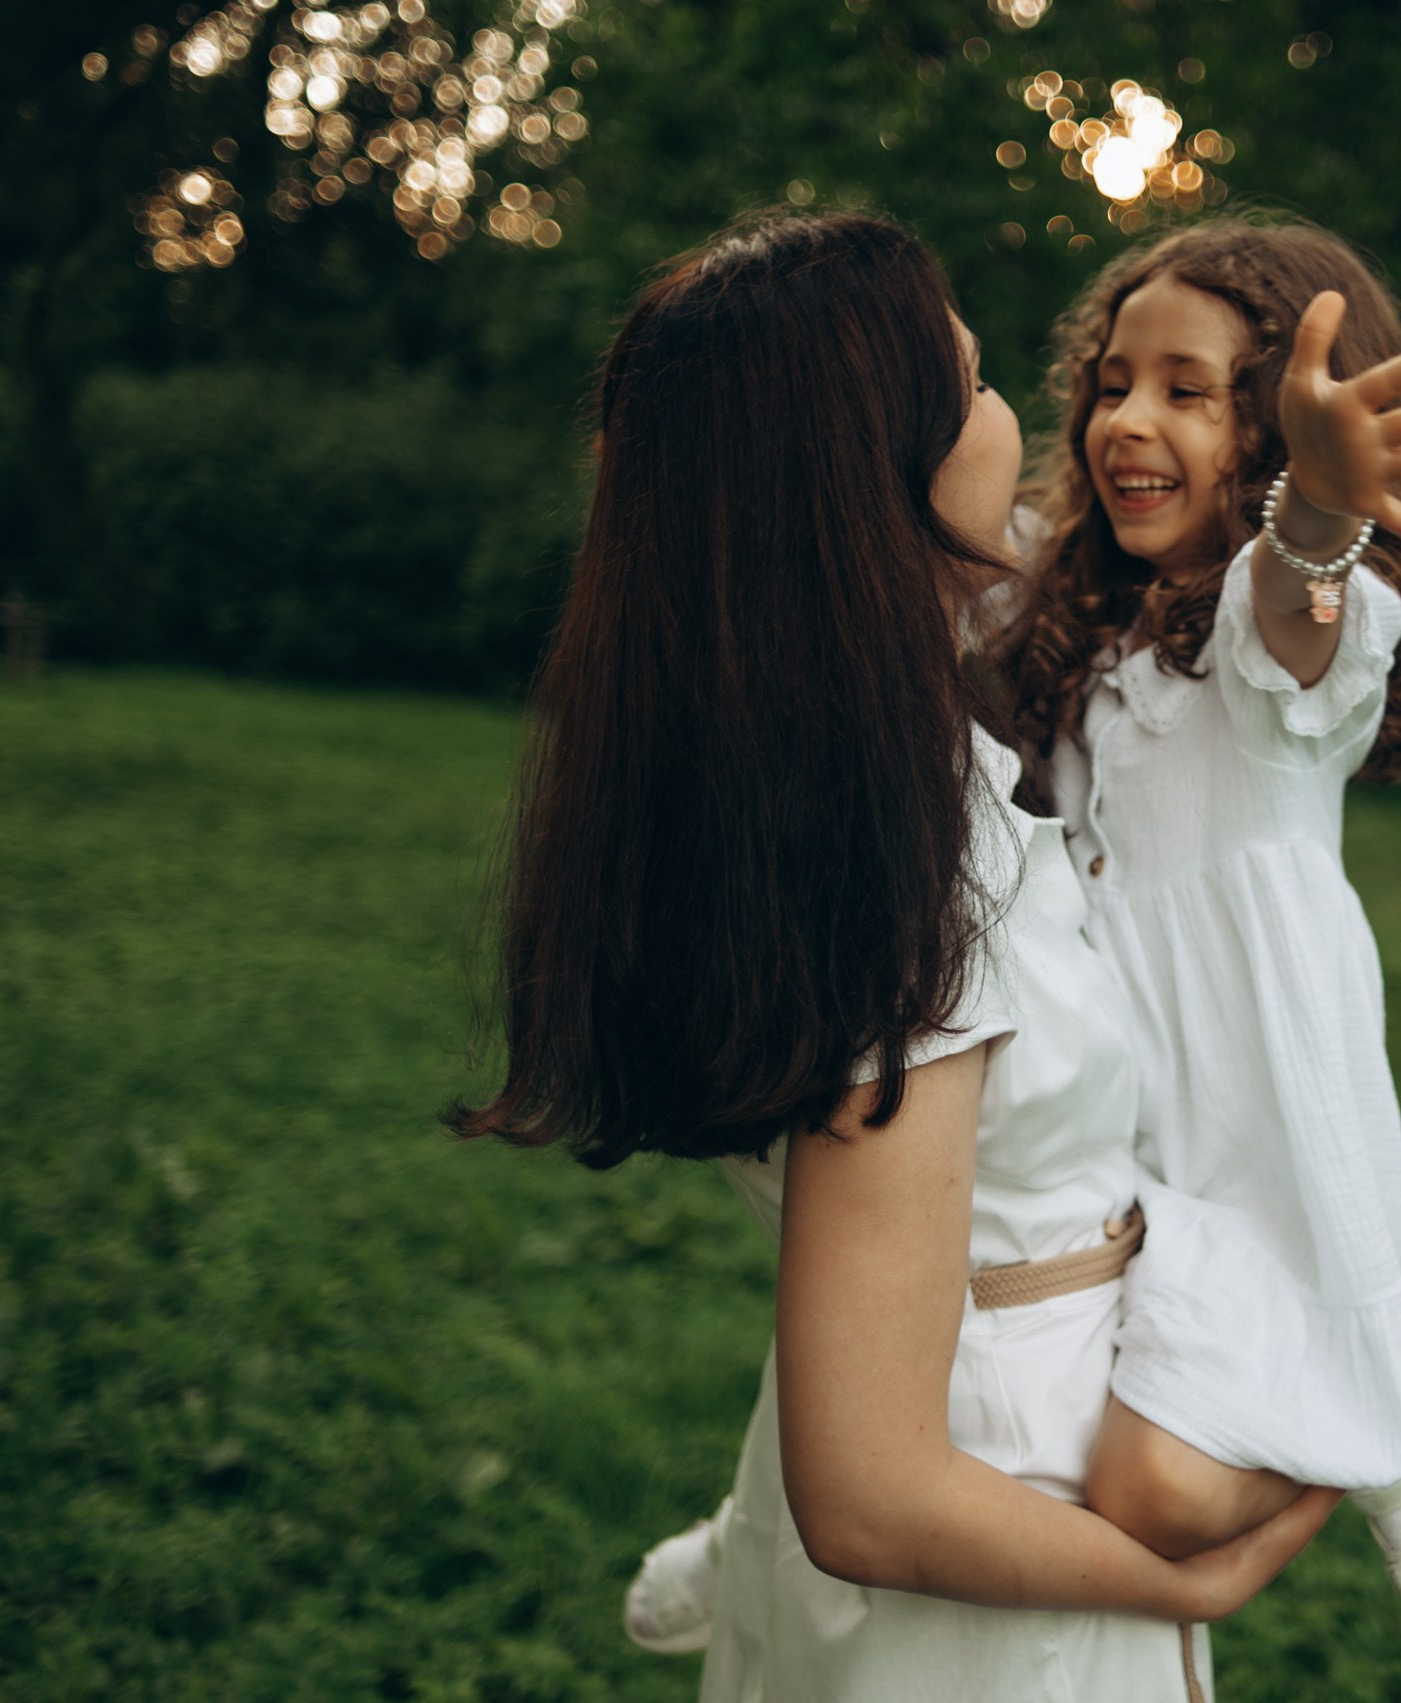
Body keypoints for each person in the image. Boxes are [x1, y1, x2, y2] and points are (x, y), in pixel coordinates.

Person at [451, 210, 1335, 1700]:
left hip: (972, 1480)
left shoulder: (783, 762)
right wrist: (1193, 1577)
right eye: (983, 384)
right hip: (995, 1549)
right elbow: (872, 1492)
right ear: (884, 471)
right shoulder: (910, 856)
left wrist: (1306, 520)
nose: (1017, 423)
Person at [995, 216, 1401, 1645]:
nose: (1130, 420)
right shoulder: (1081, 622)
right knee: (963, 1362)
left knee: (1152, 1491)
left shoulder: (1260, 655)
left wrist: (1317, 512)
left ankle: (1397, 1419)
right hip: (1098, 1137)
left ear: (1276, 434)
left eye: (1189, 389)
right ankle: (764, 1540)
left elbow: (1294, 606)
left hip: (1258, 1158)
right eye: (1112, 383)